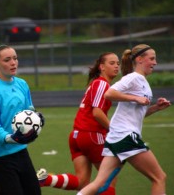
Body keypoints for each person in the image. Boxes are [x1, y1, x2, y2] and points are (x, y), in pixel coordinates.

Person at [77, 44, 171, 195]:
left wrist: (156, 108)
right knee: (159, 177)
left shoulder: (142, 81)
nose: (155, 62)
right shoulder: (133, 78)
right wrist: (135, 98)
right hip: (126, 136)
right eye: (152, 59)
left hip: (116, 137)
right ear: (139, 59)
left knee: (99, 183)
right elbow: (109, 93)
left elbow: (136, 113)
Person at [37, 52, 120, 194]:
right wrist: (116, 130)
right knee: (108, 180)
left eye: (118, 63)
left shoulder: (97, 83)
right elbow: (97, 112)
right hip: (92, 136)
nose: (116, 66)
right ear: (102, 67)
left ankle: (46, 179)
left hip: (77, 136)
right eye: (112, 63)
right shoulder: (102, 83)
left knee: (82, 182)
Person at [0, 44, 44, 195]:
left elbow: (29, 111)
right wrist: (11, 138)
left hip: (19, 151)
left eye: (15, 58)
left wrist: (38, 119)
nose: (13, 63)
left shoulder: (22, 84)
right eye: (7, 60)